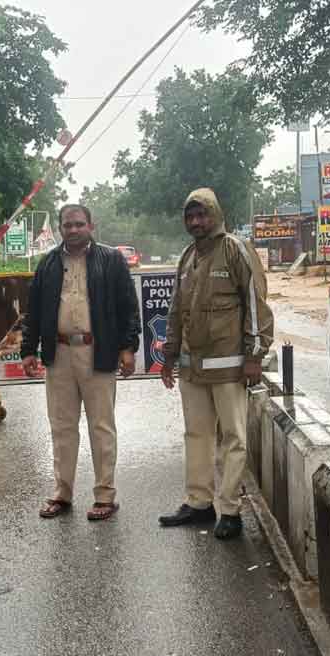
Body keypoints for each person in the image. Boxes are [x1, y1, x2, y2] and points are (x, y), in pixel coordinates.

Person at [158, 189, 273, 540]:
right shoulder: (187, 257)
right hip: (192, 368)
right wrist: (169, 355)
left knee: (234, 437)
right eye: (190, 216)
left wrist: (254, 356)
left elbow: (256, 304)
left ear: (216, 215)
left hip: (229, 366)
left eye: (202, 215)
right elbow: (176, 309)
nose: (196, 222)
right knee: (197, 435)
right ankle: (199, 503)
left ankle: (231, 510)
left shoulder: (235, 249)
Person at [21, 204, 141, 521]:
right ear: (60, 229)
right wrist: (28, 349)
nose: (73, 230)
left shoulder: (111, 260)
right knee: (62, 426)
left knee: (101, 426)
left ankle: (105, 495)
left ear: (91, 226)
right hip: (58, 354)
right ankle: (62, 493)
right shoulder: (48, 263)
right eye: (67, 225)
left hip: (97, 352)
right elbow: (34, 311)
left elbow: (128, 307)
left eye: (78, 224)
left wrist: (128, 347)